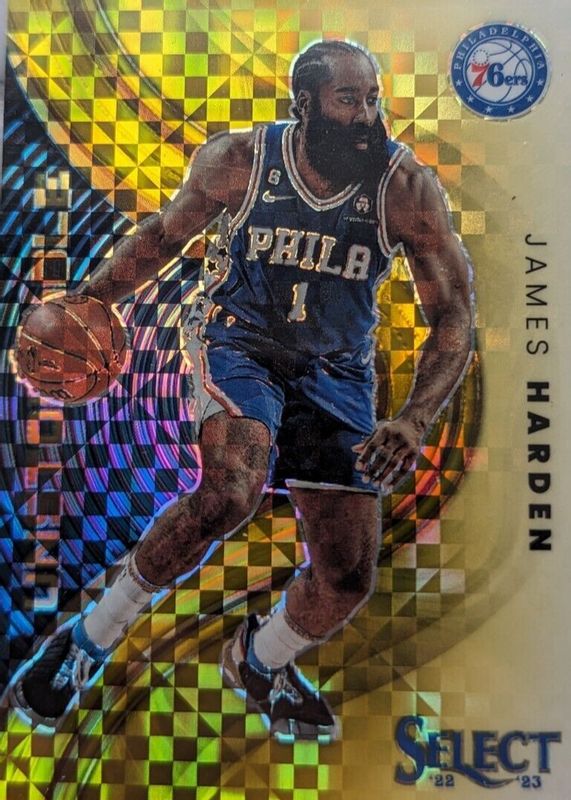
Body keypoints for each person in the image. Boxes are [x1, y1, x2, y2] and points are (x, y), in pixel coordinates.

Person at [10, 39, 473, 739]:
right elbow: (163, 237)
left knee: (347, 577)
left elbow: (454, 313)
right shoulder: (241, 159)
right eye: (348, 99)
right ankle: (86, 642)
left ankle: (262, 660)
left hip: (336, 370)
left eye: (372, 99)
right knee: (230, 490)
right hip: (237, 343)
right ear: (304, 104)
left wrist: (413, 418)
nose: (365, 115)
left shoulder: (403, 186)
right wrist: (91, 301)